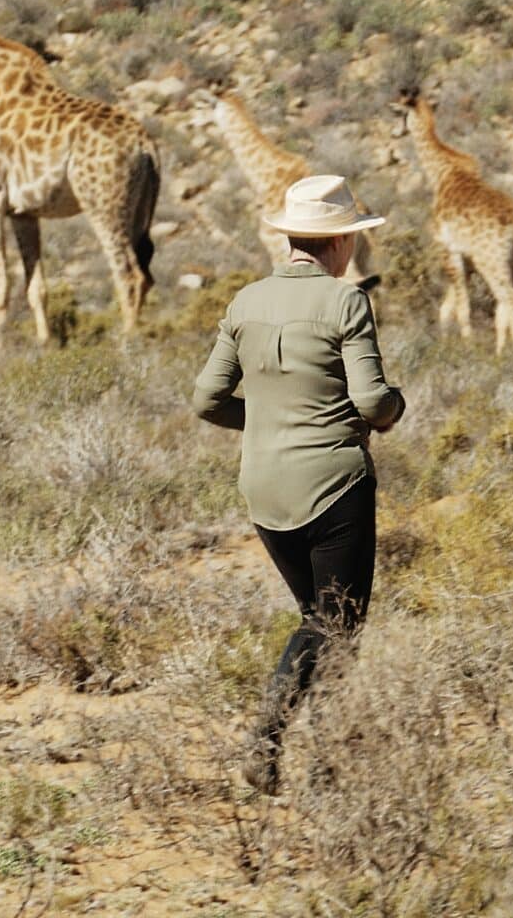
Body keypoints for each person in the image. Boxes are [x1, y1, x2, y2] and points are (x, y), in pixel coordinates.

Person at [189, 175, 405, 795]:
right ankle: (269, 738)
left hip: (263, 489)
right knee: (334, 623)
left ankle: (331, 765)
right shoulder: (346, 301)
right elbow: (373, 402)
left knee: (325, 623)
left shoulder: (245, 301)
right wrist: (396, 406)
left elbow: (206, 400)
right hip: (334, 484)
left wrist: (266, 423)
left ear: (293, 239)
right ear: (339, 242)